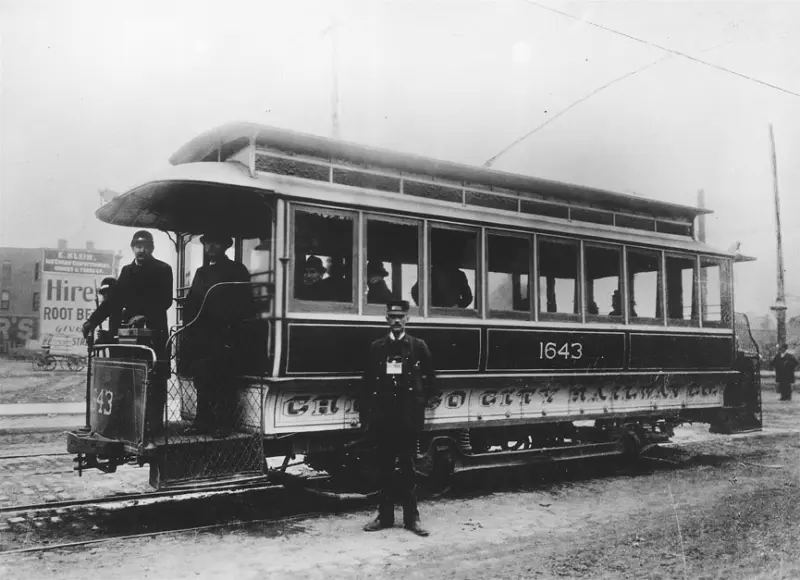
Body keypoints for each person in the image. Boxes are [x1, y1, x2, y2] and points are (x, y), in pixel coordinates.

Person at [82, 230, 173, 434]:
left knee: (155, 377)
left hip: (155, 333)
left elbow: (166, 300)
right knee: (130, 377)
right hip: (131, 336)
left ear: (152, 248)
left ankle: (155, 424)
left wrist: (145, 315)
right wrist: (92, 321)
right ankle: (132, 424)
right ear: (133, 248)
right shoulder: (126, 272)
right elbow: (113, 302)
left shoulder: (163, 269)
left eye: (146, 246)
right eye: (138, 246)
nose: (142, 250)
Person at [360, 300, 436, 536]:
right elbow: (367, 382)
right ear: (386, 320)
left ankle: (412, 520)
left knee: (407, 468)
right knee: (383, 468)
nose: (396, 321)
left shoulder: (418, 346)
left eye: (400, 317)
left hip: (406, 419)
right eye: (392, 317)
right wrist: (367, 414)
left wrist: (422, 404)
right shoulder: (377, 347)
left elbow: (431, 378)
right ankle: (384, 517)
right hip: (383, 418)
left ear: (407, 319)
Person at [180, 233, 253, 436]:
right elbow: (193, 301)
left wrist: (233, 329)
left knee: (223, 379)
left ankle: (223, 423)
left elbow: (245, 303)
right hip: (203, 334)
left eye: (215, 243)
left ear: (225, 246)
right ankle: (202, 421)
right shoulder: (201, 272)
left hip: (225, 333)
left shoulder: (237, 270)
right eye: (208, 243)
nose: (211, 247)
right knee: (202, 378)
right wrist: (189, 326)